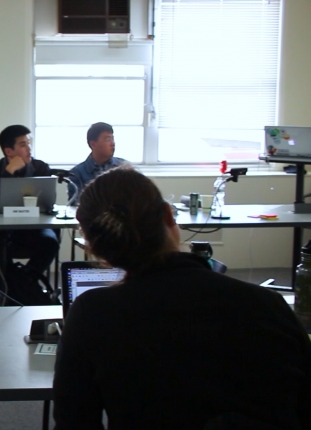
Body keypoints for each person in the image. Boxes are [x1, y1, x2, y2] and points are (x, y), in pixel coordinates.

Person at [53, 168, 311, 429]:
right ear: (168, 215)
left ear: (93, 246)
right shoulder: (267, 304)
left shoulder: (94, 314)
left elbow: (74, 421)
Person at [0, 124, 60, 305]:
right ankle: (11, 289)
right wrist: (9, 172)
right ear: (9, 151)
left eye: (29, 143)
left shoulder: (40, 168)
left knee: (51, 241)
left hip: (34, 228)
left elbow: (49, 201)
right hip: (5, 229)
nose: (29, 148)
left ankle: (23, 281)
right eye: (23, 144)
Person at [67, 122, 126, 202]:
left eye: (112, 139)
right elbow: (76, 206)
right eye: (108, 139)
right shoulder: (77, 173)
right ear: (93, 144)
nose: (112, 143)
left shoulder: (124, 167)